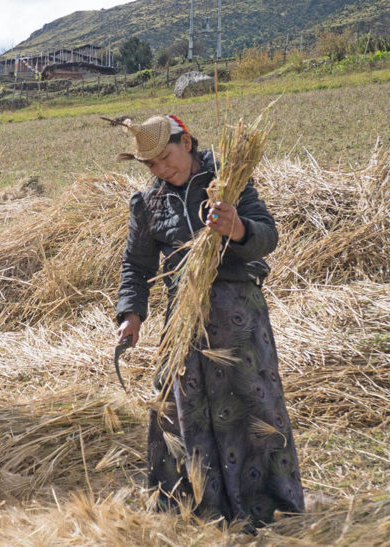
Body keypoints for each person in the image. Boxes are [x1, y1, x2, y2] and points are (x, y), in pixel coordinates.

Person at [114, 115, 303, 527]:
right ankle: (195, 506)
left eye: (167, 158)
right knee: (176, 407)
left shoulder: (228, 182)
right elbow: (137, 264)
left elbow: (267, 235)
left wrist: (238, 229)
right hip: (183, 317)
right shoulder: (149, 203)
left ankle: (265, 505)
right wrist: (131, 313)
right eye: (152, 166)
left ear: (189, 143)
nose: (163, 170)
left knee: (251, 408)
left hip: (237, 315)